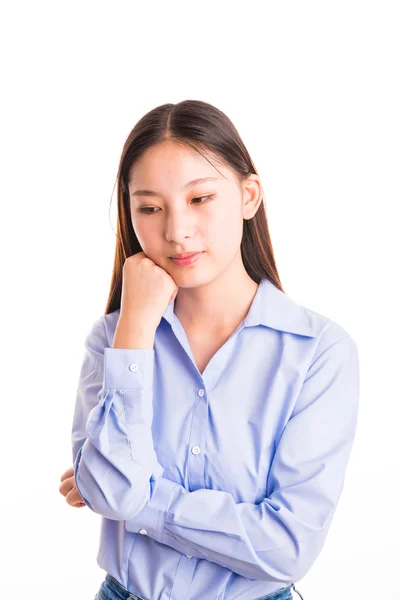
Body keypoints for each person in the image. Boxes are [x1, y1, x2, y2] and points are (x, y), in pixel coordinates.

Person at [59, 99, 359, 600]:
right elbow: (109, 490)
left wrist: (138, 498)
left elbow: (287, 547)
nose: (176, 231)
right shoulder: (112, 339)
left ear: (248, 196)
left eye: (200, 199)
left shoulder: (318, 353)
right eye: (150, 208)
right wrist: (134, 326)